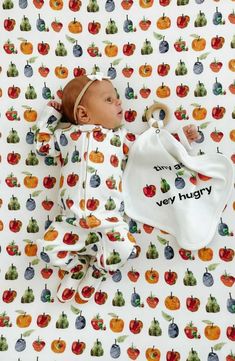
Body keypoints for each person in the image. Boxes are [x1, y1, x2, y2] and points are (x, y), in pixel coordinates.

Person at [35, 72, 200, 303]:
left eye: (117, 98)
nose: (119, 102)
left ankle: (99, 270)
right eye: (109, 100)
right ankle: (75, 267)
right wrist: (51, 115)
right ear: (83, 114)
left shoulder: (119, 138)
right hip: (70, 222)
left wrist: (180, 139)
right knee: (46, 249)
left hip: (107, 219)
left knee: (126, 249)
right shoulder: (67, 137)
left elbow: (149, 150)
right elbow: (42, 146)